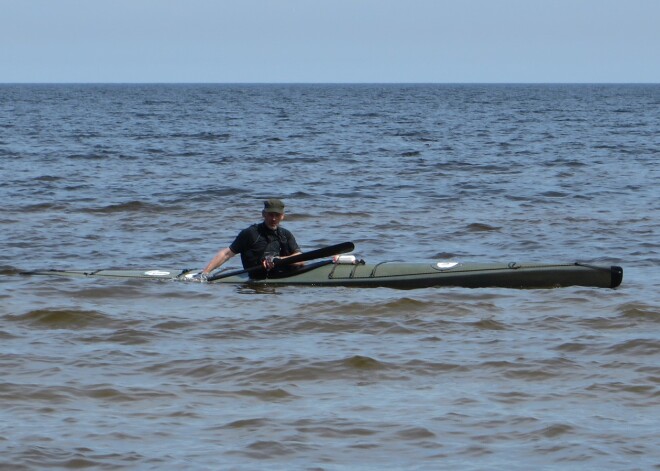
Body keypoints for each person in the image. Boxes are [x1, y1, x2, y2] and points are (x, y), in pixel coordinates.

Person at [197, 198, 303, 280]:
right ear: (263, 214)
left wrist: (277, 260)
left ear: (282, 216)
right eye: (270, 215)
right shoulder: (251, 233)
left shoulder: (285, 234)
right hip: (257, 277)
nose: (274, 219)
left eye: (277, 215)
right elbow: (227, 254)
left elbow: (301, 259)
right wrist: (205, 273)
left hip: (284, 275)